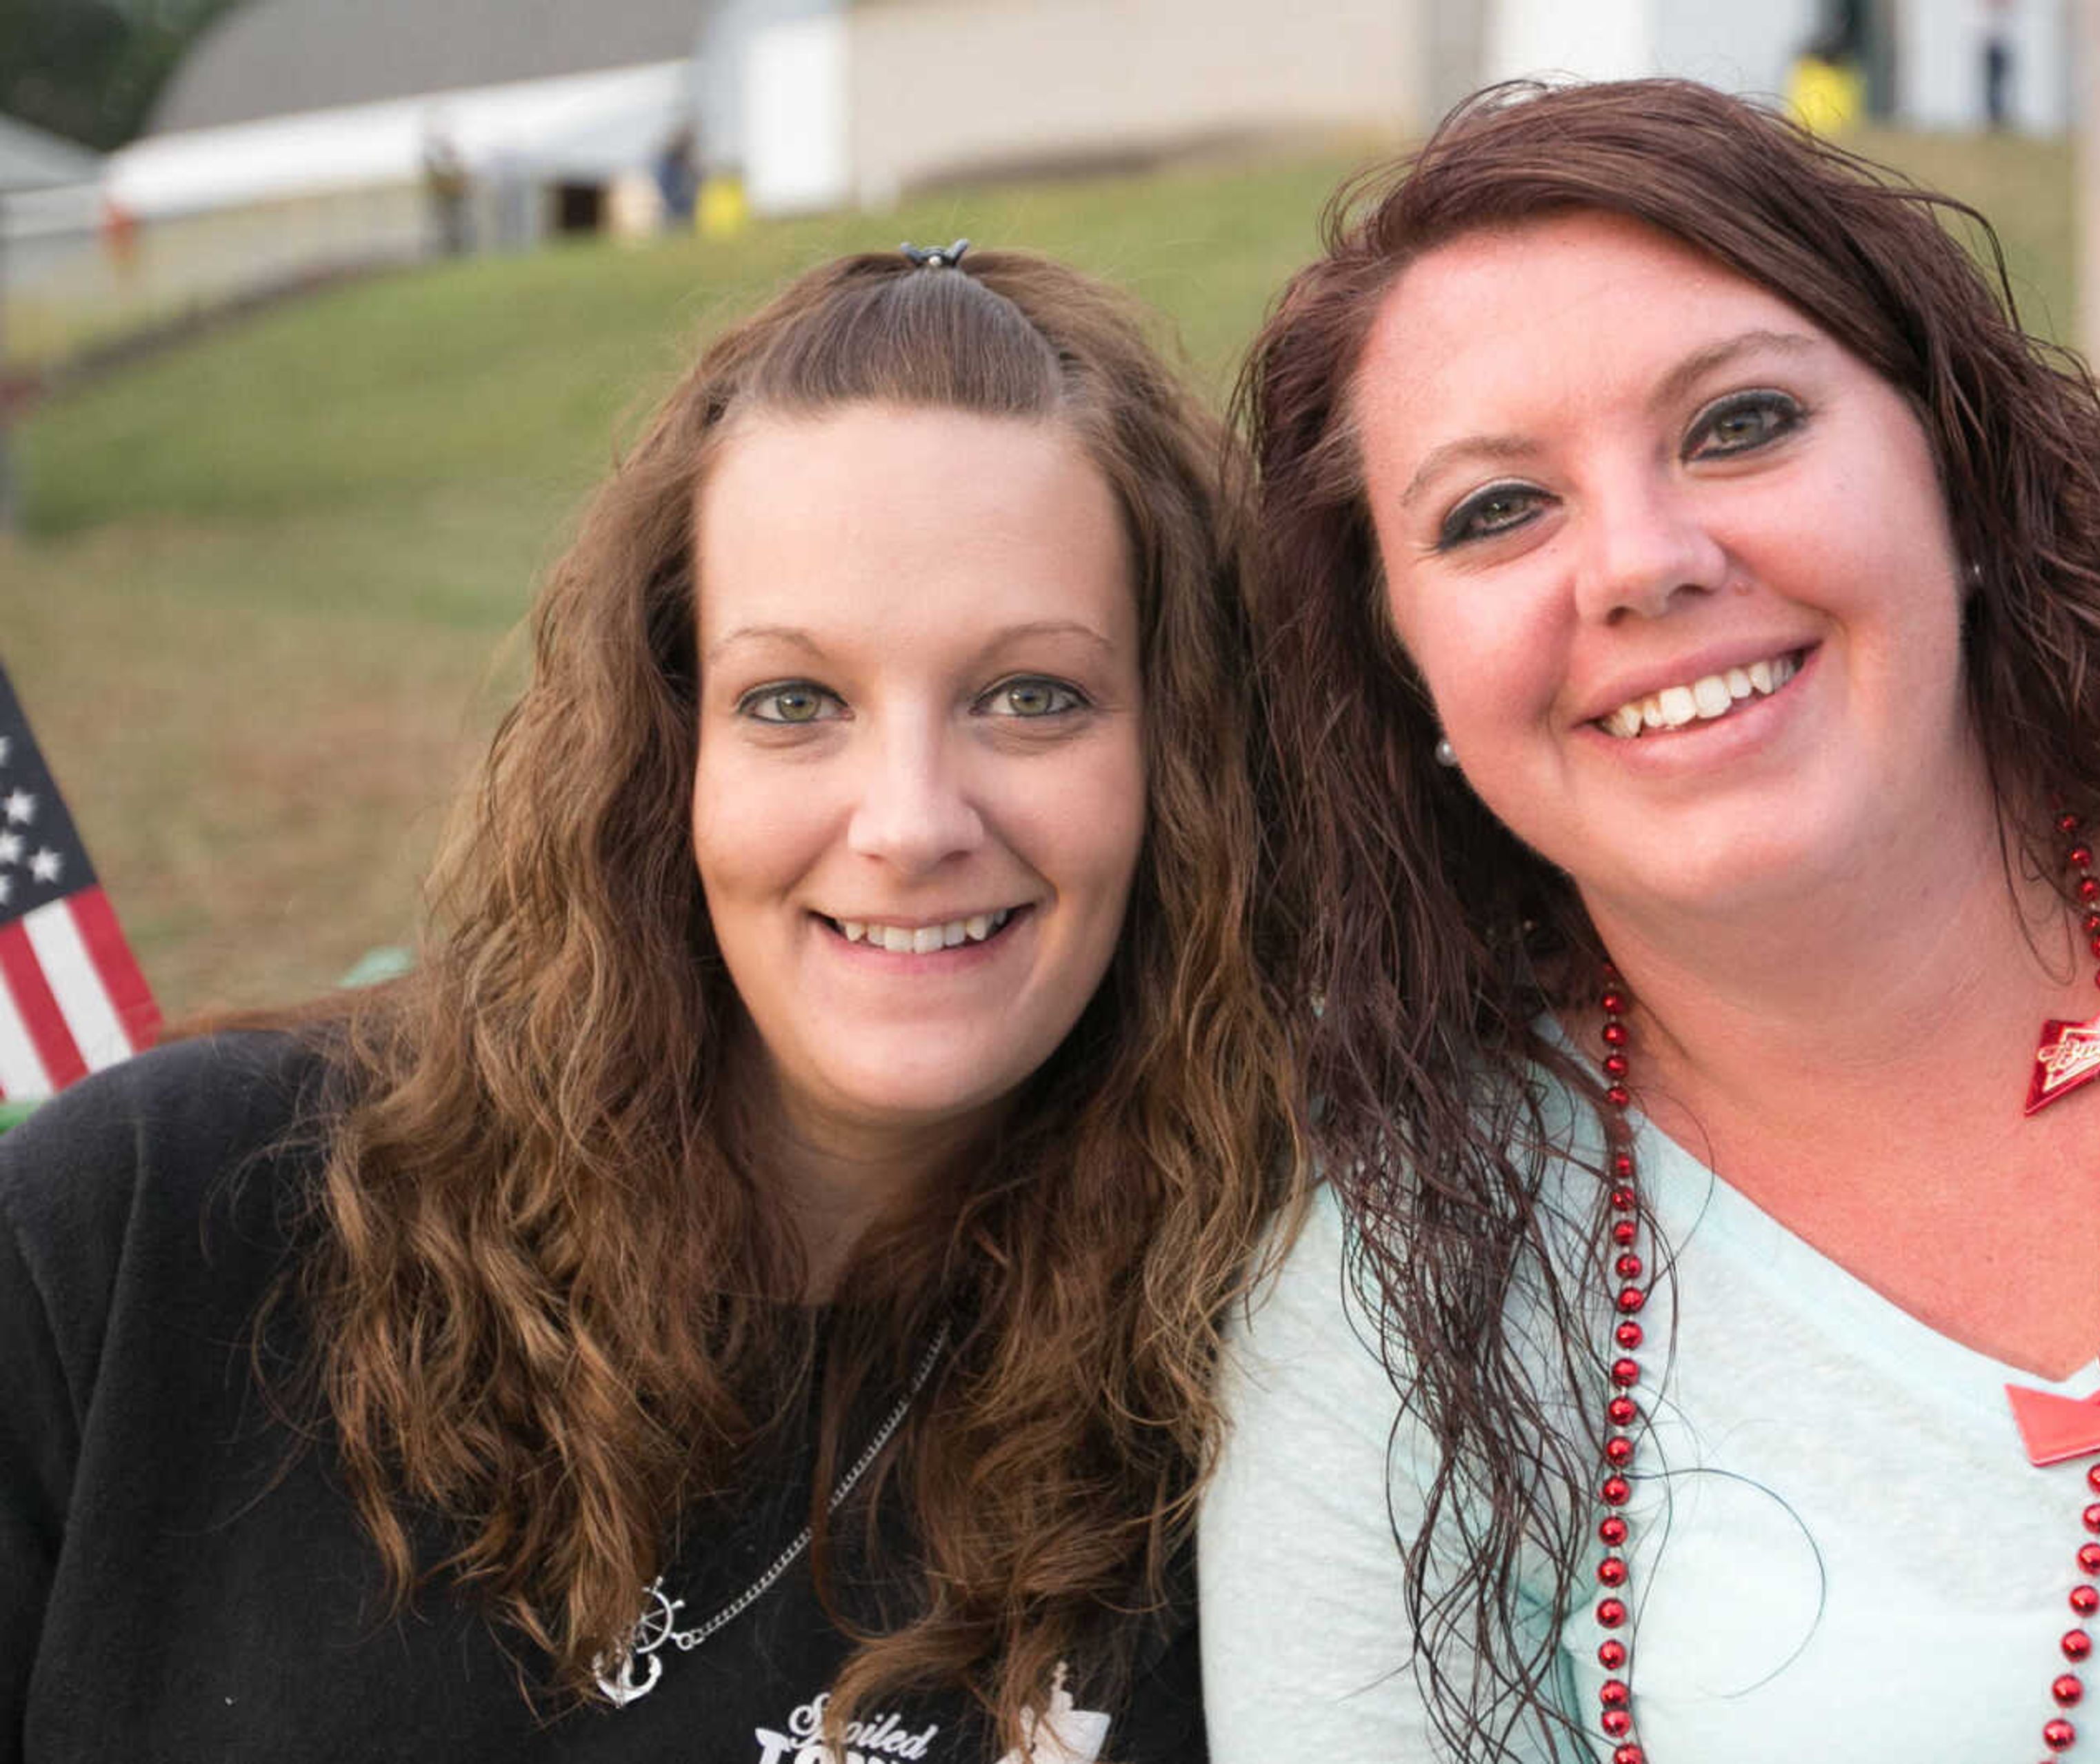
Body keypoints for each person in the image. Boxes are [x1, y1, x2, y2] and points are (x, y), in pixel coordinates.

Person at [1206, 79, 2100, 1763]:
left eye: (1737, 423)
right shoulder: (1415, 1287)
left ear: (1953, 469)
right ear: (1404, 673)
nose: (1644, 562)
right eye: (1493, 510)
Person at [1, 245, 1288, 1761]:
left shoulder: (1267, 1388)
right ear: (662, 752)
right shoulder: (154, 1226)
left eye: (1032, 695)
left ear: (1185, 764)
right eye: (793, 702)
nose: (910, 820)